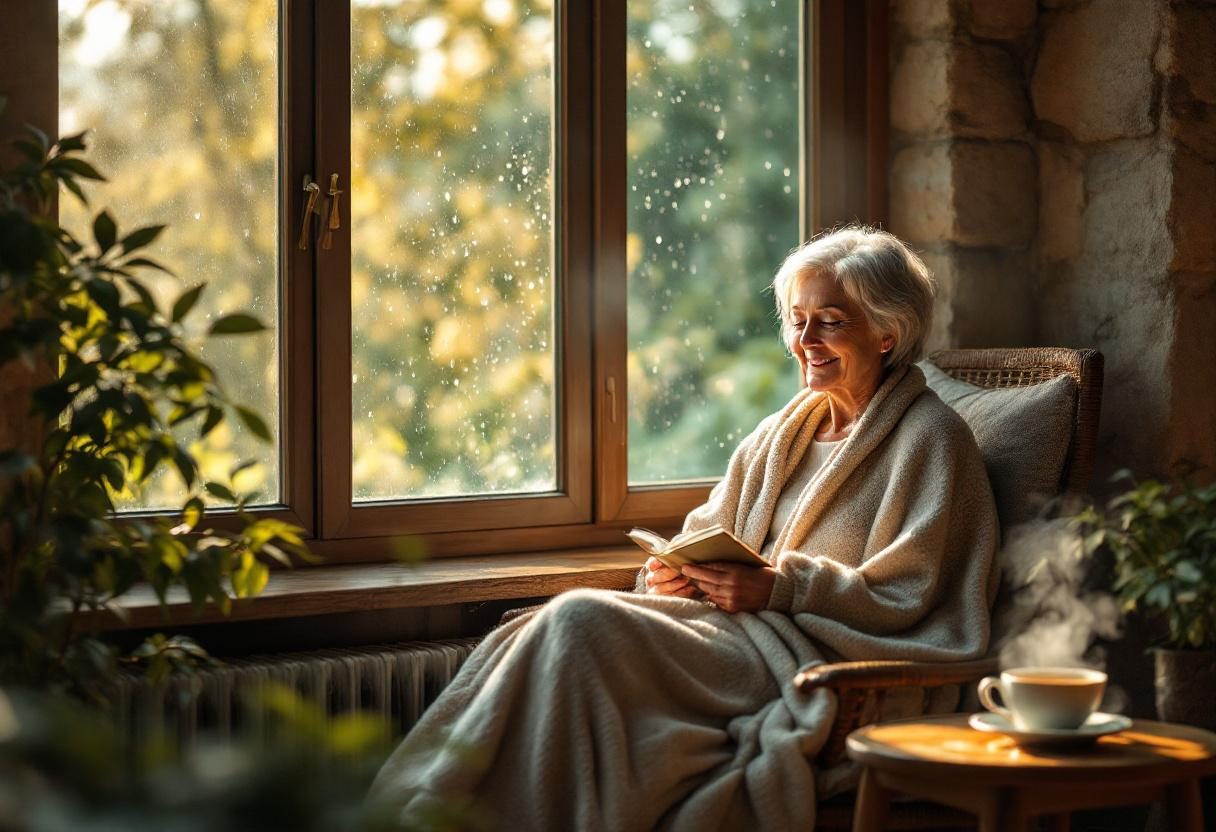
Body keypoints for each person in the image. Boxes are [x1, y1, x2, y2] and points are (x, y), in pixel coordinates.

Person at [370, 225, 999, 831]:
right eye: (797, 320)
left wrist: (782, 589)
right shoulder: (782, 434)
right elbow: (707, 530)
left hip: (807, 660)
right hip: (726, 634)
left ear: (888, 332)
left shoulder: (932, 441)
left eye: (830, 321)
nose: (806, 338)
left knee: (579, 621)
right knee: (537, 629)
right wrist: (673, 573)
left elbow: (918, 599)